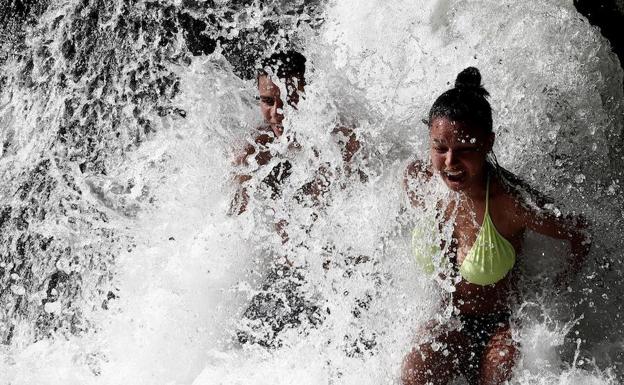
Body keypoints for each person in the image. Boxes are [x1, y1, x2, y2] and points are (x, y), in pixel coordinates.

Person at [401, 67, 591, 385]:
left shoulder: (510, 202)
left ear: (488, 143)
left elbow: (580, 233)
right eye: (440, 148)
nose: (450, 163)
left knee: (499, 368)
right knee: (413, 371)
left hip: (501, 326)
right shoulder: (418, 180)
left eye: (464, 150)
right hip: (450, 321)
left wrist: (556, 291)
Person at [231, 50, 361, 348]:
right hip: (288, 273)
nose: (278, 111)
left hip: (343, 274)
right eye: (268, 101)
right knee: (240, 343)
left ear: (309, 94)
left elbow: (354, 223)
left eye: (290, 99)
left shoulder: (339, 141)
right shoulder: (253, 151)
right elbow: (233, 224)